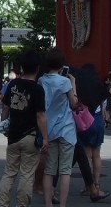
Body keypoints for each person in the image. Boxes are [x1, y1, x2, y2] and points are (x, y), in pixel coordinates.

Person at [0, 51, 48, 207]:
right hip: (30, 136)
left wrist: (3, 124)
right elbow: (40, 116)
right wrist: (45, 137)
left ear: (22, 68)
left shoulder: (12, 84)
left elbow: (5, 106)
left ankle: (1, 204)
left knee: (9, 173)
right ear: (38, 68)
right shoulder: (38, 89)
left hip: (13, 135)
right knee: (27, 175)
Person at [40, 48, 80, 207]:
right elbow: (74, 104)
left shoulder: (42, 81)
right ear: (62, 64)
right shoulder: (65, 82)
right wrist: (74, 84)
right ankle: (62, 205)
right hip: (66, 129)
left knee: (49, 170)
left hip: (49, 129)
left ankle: (48, 204)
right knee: (65, 171)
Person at [70, 63, 110, 202]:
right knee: (97, 155)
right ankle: (97, 183)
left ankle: (89, 186)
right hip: (98, 121)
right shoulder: (98, 88)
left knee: (86, 155)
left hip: (87, 122)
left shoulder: (82, 88)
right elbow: (103, 108)